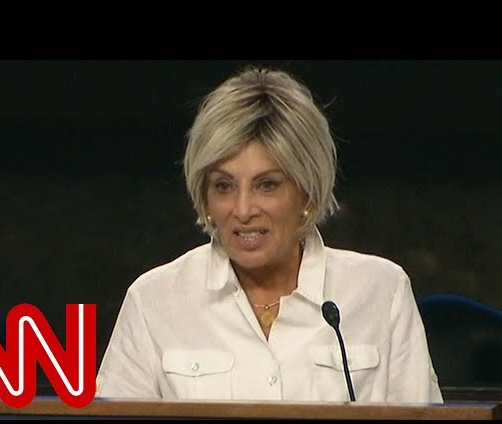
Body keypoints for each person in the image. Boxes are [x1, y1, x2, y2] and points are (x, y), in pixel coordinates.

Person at [95, 65, 443, 404]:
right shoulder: (154, 300)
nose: (243, 209)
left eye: (267, 185)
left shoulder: (381, 291)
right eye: (224, 186)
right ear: (204, 196)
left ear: (307, 192)